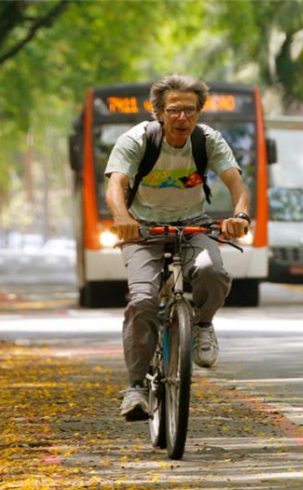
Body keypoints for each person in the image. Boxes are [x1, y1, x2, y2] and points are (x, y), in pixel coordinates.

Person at [105, 74, 250, 421]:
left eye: (190, 110)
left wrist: (240, 215)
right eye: (174, 110)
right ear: (159, 112)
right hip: (142, 230)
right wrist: (123, 219)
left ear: (199, 112)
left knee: (211, 270)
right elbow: (116, 185)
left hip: (193, 223)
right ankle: (136, 388)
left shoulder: (207, 141)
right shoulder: (137, 140)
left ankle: (202, 326)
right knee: (142, 300)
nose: (182, 118)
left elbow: (236, 184)